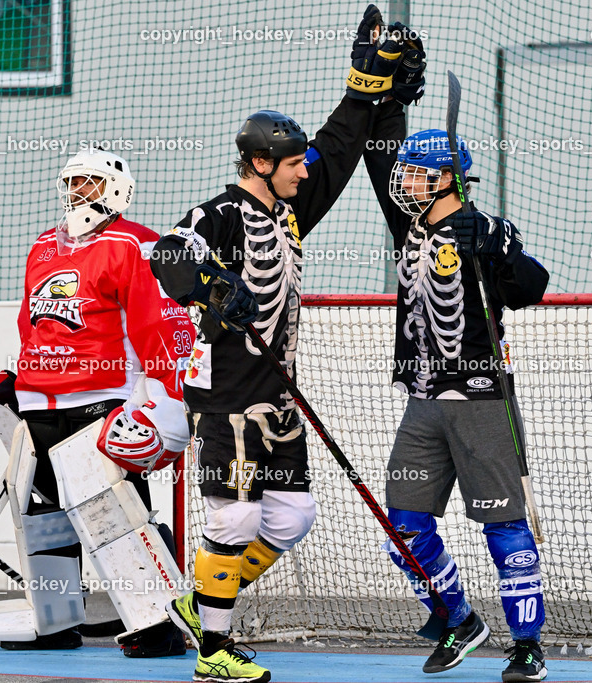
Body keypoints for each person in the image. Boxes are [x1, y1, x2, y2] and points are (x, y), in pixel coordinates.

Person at [149, 7, 426, 682]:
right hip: (227, 393)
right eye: (293, 164)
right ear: (260, 163)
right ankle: (215, 646)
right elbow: (167, 254)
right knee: (235, 515)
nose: (306, 172)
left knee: (291, 515)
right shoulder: (219, 213)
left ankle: (200, 600)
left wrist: (374, 87)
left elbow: (337, 145)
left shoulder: (288, 208)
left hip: (277, 392)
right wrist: (212, 285)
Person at [363, 98, 551, 680]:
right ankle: (458, 616)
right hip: (423, 401)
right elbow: (375, 164)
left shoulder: (484, 227)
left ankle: (527, 645)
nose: (407, 181)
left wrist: (492, 243)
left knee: (503, 525)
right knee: (404, 524)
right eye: (407, 171)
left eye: (419, 172)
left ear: (448, 179)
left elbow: (532, 286)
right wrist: (385, 95)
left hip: (481, 400)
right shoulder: (410, 229)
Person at [5, 146, 194, 656]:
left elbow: (158, 327)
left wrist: (162, 398)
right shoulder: (44, 245)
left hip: (103, 400)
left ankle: (159, 624)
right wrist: (19, 379)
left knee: (116, 511)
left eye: (89, 182)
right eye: (72, 182)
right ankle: (56, 621)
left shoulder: (138, 245)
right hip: (40, 402)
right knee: (43, 515)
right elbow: (32, 322)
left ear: (116, 189)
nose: (78, 192)